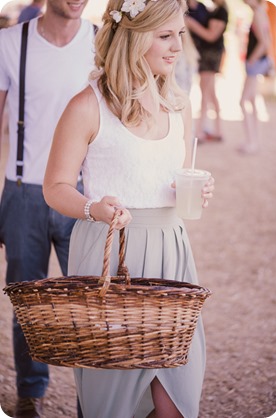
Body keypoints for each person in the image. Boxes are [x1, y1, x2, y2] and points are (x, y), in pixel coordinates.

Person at [43, 1, 215, 417]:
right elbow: (55, 187)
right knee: (113, 402)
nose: (177, 46)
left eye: (180, 34)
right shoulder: (86, 106)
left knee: (176, 399)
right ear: (134, 36)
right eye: (164, 35)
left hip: (171, 256)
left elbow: (172, 180)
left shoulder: (179, 104)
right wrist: (93, 207)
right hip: (109, 257)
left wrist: (196, 188)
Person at [0, 1, 96, 417]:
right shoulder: (8, 43)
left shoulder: (101, 41)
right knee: (28, 305)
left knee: (91, 305)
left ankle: (92, 399)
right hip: (24, 193)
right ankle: (29, 393)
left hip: (85, 196)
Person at [186, 0, 229, 142]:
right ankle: (218, 129)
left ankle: (200, 131)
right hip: (206, 54)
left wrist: (191, 23)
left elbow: (211, 36)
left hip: (210, 55)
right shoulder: (212, 9)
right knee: (210, 91)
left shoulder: (221, 12)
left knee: (205, 91)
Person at [238, 0, 274, 154]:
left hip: (256, 63)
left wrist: (251, 60)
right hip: (259, 62)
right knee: (251, 100)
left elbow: (264, 43)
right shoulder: (261, 11)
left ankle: (252, 142)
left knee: (243, 101)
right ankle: (254, 141)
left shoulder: (259, 13)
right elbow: (269, 40)